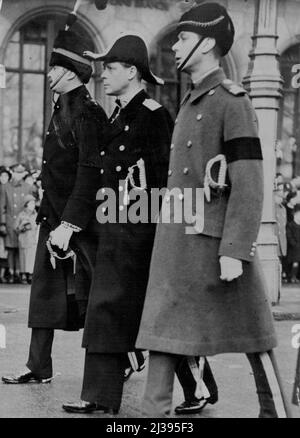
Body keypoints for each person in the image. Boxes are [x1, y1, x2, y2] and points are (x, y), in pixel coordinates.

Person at [136, 2, 290, 418]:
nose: (174, 44)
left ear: (206, 43)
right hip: (178, 243)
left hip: (215, 244)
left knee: (255, 336)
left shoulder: (232, 101)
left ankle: (274, 412)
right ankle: (155, 418)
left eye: (183, 37)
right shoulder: (190, 100)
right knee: (163, 332)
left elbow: (249, 178)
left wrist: (235, 249)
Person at [62, 34, 173, 415]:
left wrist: (147, 236)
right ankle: (99, 395)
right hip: (111, 231)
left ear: (132, 71)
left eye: (109, 68)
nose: (102, 74)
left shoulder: (155, 116)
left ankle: (197, 386)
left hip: (137, 234)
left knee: (150, 317)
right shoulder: (117, 114)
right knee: (107, 311)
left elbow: (163, 182)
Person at [2, 22, 108, 385]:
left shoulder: (89, 113)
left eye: (54, 68)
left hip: (83, 221)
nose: (48, 74)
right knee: (44, 296)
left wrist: (70, 224)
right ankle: (38, 366)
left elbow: (90, 170)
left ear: (68, 73)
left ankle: (121, 359)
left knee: (99, 297)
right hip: (55, 215)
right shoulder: (62, 107)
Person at [0, 164, 35, 284]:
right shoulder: (5, 187)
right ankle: (11, 272)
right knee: (10, 249)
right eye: (16, 172)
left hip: (23, 222)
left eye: (21, 173)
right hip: (10, 222)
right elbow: (2, 207)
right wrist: (2, 223)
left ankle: (21, 273)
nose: (18, 175)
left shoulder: (28, 187)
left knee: (22, 249)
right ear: (12, 173)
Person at [15, 194, 38, 285]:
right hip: (24, 239)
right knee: (23, 257)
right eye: (31, 203)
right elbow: (15, 227)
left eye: (33, 203)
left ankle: (31, 275)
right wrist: (23, 227)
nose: (33, 205)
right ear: (26, 204)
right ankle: (23, 275)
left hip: (33, 240)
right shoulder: (21, 215)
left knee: (32, 258)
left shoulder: (36, 214)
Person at [0, 167, 11, 283]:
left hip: (5, 221)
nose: (4, 179)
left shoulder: (8, 189)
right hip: (3, 221)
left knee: (4, 250)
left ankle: (5, 274)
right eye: (2, 176)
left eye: (6, 176)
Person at [285, 204, 300, 283]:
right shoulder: (291, 225)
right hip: (294, 248)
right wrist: (294, 244)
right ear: (295, 215)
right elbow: (289, 236)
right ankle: (292, 276)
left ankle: (295, 276)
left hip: (298, 248)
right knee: (295, 262)